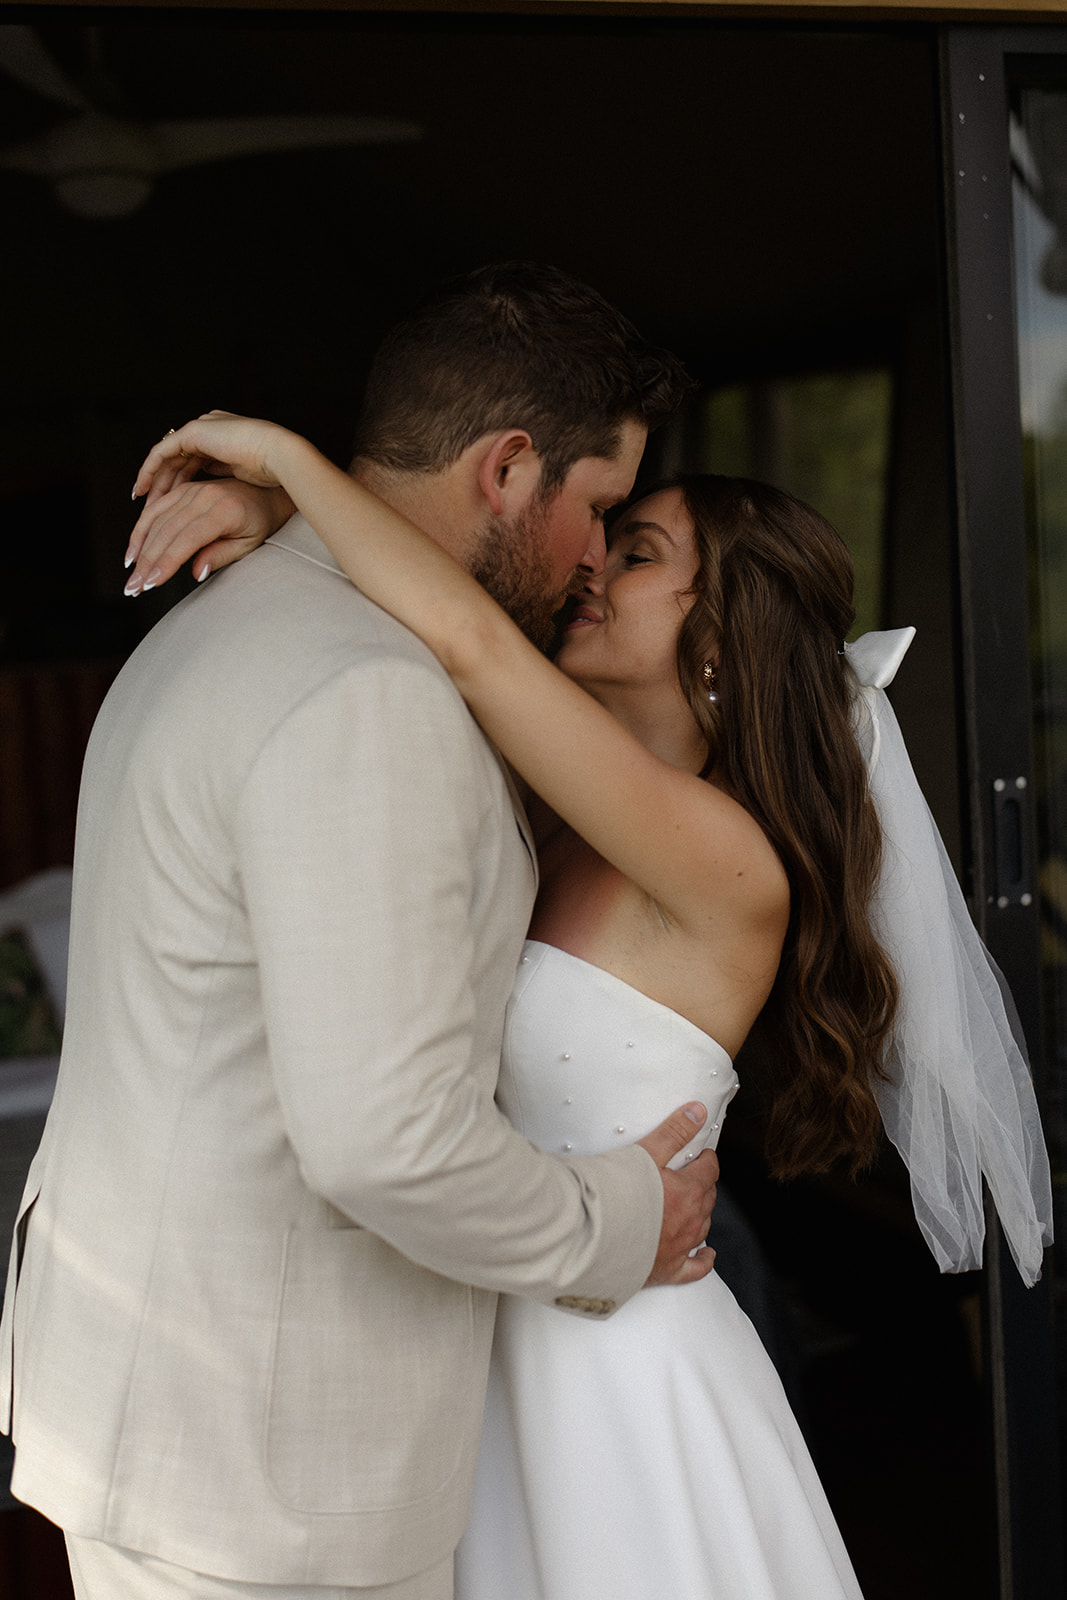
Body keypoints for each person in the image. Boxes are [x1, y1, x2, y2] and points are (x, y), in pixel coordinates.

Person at [125, 414, 1054, 1600]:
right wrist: (285, 542)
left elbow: (465, 638)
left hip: (623, 1369)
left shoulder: (725, 857)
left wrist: (296, 471)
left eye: (639, 553)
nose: (591, 568)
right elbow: (432, 635)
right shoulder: (550, 816)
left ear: (715, 637)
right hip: (494, 1336)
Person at [0, 265, 724, 1600]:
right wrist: (630, 1215)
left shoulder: (232, 615)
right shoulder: (365, 695)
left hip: (175, 1408)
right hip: (268, 1468)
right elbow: (384, 1140)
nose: (586, 560)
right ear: (509, 468)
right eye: (599, 509)